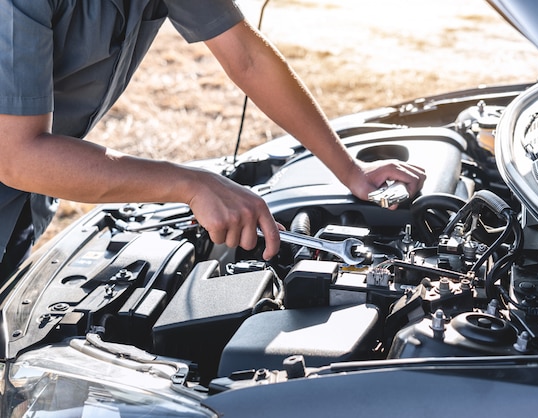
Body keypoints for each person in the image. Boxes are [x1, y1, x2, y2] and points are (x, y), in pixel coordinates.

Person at [0, 0, 426, 281]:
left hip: (22, 205)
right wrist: (192, 184)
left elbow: (247, 56)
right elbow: (19, 155)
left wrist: (350, 170)